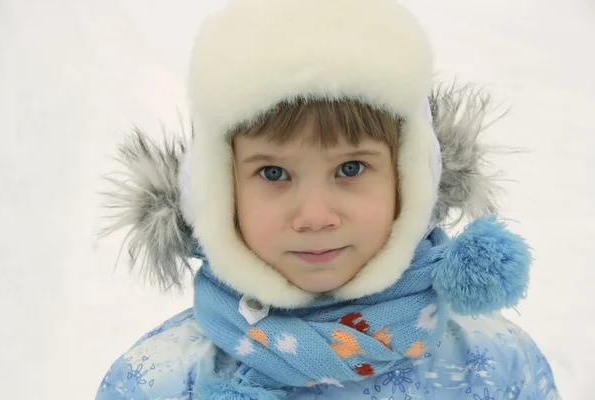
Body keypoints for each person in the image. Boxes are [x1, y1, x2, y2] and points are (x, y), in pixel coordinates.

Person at [95, 0, 561, 399]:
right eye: (273, 173)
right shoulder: (159, 381)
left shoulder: (495, 364)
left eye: (351, 169)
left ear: (409, 178)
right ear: (220, 192)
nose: (315, 216)